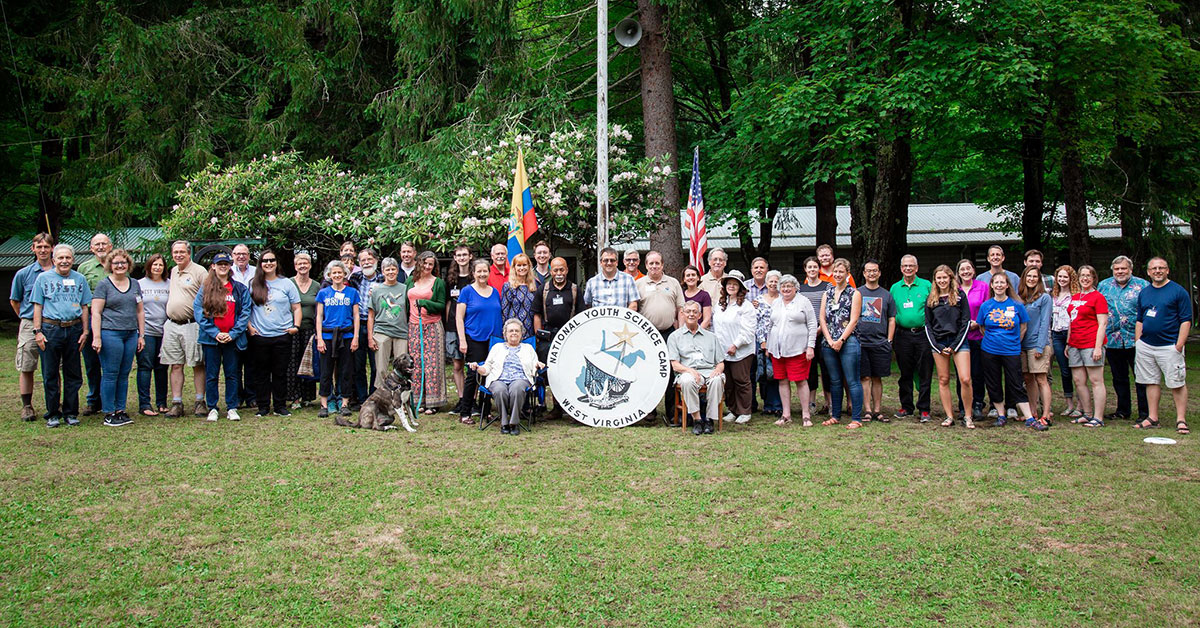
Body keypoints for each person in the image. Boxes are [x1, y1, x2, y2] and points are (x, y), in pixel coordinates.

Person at [31, 244, 92, 428]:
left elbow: (84, 306)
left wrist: (85, 331)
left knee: (73, 374)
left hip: (73, 329)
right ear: (54, 259)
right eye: (61, 258)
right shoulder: (43, 278)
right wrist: (38, 332)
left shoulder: (80, 279)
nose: (64, 261)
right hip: (51, 330)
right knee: (50, 373)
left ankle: (71, 412)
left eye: (68, 258)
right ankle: (52, 413)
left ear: (73, 260)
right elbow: (38, 306)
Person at [976, 272, 1044, 430]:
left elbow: (1023, 327)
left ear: (1007, 285)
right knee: (993, 383)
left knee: (1015, 382)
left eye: (1002, 282)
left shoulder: (1017, 305)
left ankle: (1029, 418)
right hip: (989, 350)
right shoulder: (986, 306)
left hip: (1011, 350)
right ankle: (1001, 415)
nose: (999, 285)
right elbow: (982, 327)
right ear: (992, 286)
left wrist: (1013, 341)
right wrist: (994, 340)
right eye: (996, 283)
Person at [1134, 257, 1190, 435]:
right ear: (1149, 272)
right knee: (1150, 382)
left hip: (1170, 346)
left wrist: (1179, 345)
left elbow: (1186, 320)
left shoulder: (1178, 292)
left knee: (1176, 382)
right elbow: (1140, 319)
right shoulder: (1145, 292)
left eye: (1161, 268)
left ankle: (1181, 419)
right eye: (1154, 268)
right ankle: (1152, 417)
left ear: (1167, 270)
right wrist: (1138, 342)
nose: (1157, 271)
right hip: (1147, 346)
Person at [194, 252, 251, 422]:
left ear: (230, 266)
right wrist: (215, 333)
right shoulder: (205, 288)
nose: (223, 266)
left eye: (226, 263)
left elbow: (245, 312)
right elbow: (198, 311)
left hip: (232, 339)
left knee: (232, 374)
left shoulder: (239, 289)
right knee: (212, 374)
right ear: (213, 266)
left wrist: (233, 334)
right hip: (211, 339)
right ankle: (213, 407)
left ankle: (232, 407)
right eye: (219, 264)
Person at [91, 249, 144, 427]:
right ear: (109, 266)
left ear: (128, 265)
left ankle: (120, 410)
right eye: (116, 263)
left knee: (124, 373)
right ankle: (109, 411)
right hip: (110, 333)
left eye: (123, 263)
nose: (120, 266)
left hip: (130, 333)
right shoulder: (103, 285)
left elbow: (140, 310)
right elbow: (96, 312)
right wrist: (97, 337)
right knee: (111, 373)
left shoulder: (135, 284)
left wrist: (141, 335)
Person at [247, 249, 301, 418]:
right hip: (260, 336)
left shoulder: (287, 284)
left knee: (280, 373)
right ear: (260, 264)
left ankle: (280, 406)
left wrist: (296, 326)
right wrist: (249, 327)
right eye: (265, 261)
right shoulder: (253, 283)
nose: (268, 263)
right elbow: (245, 309)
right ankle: (263, 406)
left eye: (271, 260)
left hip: (282, 335)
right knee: (261, 373)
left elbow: (297, 307)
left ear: (277, 263)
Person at [1098, 255, 1149, 423]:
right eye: (1117, 269)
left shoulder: (1142, 285)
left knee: (1141, 377)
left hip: (1136, 339)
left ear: (1130, 269)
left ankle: (1145, 413)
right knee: (1119, 378)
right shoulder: (1104, 286)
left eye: (1123, 268)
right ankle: (1123, 410)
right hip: (1112, 339)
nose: (1120, 272)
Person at [9, 232, 55, 422]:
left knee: (55, 366)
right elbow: (15, 300)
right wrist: (27, 319)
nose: (43, 250)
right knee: (27, 365)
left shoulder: (60, 270)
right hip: (29, 324)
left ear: (52, 248)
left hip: (53, 323)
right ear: (33, 249)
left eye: (46, 246)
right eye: (39, 246)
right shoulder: (24, 274)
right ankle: (27, 406)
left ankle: (55, 403)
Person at [636, 251, 685, 422]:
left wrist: (681, 332)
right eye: (651, 263)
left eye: (657, 263)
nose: (654, 266)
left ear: (662, 265)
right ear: (646, 265)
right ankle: (649, 410)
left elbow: (681, 309)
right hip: (647, 335)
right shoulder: (639, 284)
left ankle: (672, 411)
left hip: (669, 333)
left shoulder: (672, 283)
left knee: (670, 372)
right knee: (649, 372)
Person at [162, 241, 208, 418]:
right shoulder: (173, 271)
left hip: (192, 324)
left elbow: (208, 296)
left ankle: (199, 401)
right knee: (175, 365)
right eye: (175, 252)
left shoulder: (199, 271)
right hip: (172, 325)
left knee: (197, 363)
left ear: (189, 253)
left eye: (182, 252)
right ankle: (176, 402)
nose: (178, 255)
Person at [924, 265, 973, 428]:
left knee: (965, 379)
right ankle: (949, 416)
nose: (942, 281)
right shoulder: (931, 299)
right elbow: (928, 325)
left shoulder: (960, 296)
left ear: (951, 278)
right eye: (939, 278)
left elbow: (966, 322)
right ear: (935, 280)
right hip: (939, 343)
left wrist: (954, 345)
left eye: (945, 277)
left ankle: (967, 415)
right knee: (943, 379)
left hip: (958, 342)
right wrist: (937, 346)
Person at [473, 318, 542, 435]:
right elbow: (487, 367)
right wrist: (478, 368)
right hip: (498, 379)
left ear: (521, 334)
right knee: (499, 390)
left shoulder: (528, 348)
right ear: (505, 333)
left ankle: (514, 423)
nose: (514, 333)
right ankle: (504, 423)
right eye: (511, 331)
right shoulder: (497, 348)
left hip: (521, 378)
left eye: (517, 331)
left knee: (517, 389)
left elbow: (535, 366)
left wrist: (538, 365)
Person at [766, 274, 817, 427]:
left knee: (801, 381)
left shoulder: (803, 302)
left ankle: (806, 414)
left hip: (798, 349)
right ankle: (786, 414)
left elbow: (812, 325)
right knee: (782, 381)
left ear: (795, 287)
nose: (786, 289)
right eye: (783, 286)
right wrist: (769, 346)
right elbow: (770, 325)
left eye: (789, 286)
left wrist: (810, 346)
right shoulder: (776, 303)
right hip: (777, 350)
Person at [819, 258, 864, 429]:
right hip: (829, 342)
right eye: (835, 272)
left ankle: (856, 418)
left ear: (847, 274)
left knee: (852, 380)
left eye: (841, 272)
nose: (838, 275)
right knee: (835, 380)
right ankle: (835, 415)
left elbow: (854, 320)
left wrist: (841, 340)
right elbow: (822, 318)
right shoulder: (827, 293)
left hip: (848, 341)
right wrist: (830, 340)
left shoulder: (854, 293)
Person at [668, 301, 725, 435]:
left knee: (717, 379)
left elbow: (721, 362)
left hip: (709, 371)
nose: (691, 314)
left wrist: (718, 370)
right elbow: (675, 364)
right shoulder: (675, 337)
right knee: (687, 380)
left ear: (700, 315)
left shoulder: (711, 337)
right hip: (687, 371)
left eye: (694, 312)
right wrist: (690, 371)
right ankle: (697, 420)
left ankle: (710, 420)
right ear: (682, 314)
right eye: (688, 312)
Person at [457, 258, 503, 424]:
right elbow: (459, 318)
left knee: (490, 375)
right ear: (473, 273)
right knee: (473, 375)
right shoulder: (467, 292)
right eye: (479, 271)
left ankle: (485, 410)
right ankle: (465, 412)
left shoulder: (495, 292)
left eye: (485, 271)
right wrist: (462, 340)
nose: (482, 274)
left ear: (488, 273)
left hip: (494, 341)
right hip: (474, 338)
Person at [533, 257, 580, 419]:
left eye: (562, 270)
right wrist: (539, 335)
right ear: (551, 271)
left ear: (566, 270)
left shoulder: (574, 289)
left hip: (570, 336)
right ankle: (556, 407)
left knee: (571, 371)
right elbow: (537, 314)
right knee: (552, 373)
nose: (559, 273)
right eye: (555, 270)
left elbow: (581, 316)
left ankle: (572, 406)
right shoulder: (544, 289)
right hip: (549, 337)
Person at [889, 254, 933, 422]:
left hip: (922, 334)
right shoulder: (895, 288)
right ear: (901, 268)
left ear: (917, 268)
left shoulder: (926, 285)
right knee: (905, 373)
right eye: (905, 266)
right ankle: (906, 406)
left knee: (925, 372)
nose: (908, 268)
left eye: (911, 266)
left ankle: (924, 409)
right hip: (903, 335)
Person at [315, 260, 360, 418]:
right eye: (334, 273)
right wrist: (319, 338)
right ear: (329, 275)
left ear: (345, 274)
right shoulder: (323, 293)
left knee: (346, 370)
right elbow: (319, 316)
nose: (337, 275)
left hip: (346, 336)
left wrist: (355, 337)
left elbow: (356, 315)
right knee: (326, 371)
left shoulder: (352, 293)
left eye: (340, 272)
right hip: (327, 336)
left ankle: (345, 403)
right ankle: (324, 404)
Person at [1066, 265, 1109, 427]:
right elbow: (1072, 321)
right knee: (1078, 380)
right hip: (1075, 343)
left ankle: (1098, 417)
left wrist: (1098, 347)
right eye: (1082, 275)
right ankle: (1087, 413)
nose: (1085, 278)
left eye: (1088, 276)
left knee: (1096, 380)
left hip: (1091, 343)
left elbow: (1103, 323)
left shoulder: (1098, 297)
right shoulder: (1075, 297)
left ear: (1093, 278)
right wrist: (1068, 342)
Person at [406, 251, 448, 413]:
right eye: (425, 263)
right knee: (416, 364)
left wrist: (425, 303)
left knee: (432, 364)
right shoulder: (411, 281)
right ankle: (418, 400)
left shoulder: (438, 283)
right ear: (419, 263)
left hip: (432, 325)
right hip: (414, 326)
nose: (427, 266)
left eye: (431, 264)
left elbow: (441, 305)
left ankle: (434, 401)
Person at [713, 271, 756, 424]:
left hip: (741, 351)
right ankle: (733, 410)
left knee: (741, 380)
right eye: (729, 284)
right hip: (722, 350)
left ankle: (745, 411)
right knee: (728, 382)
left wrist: (735, 344)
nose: (731, 286)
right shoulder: (720, 305)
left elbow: (748, 330)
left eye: (735, 284)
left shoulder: (746, 306)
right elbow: (716, 327)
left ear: (740, 287)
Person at [76, 232, 111, 416]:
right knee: (91, 362)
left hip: (112, 319)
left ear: (110, 246)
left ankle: (107, 400)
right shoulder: (84, 268)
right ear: (91, 248)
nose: (100, 247)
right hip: (90, 317)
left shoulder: (117, 265)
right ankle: (92, 399)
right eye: (96, 244)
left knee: (110, 362)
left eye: (104, 244)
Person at [857, 260, 896, 423]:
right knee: (864, 377)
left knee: (877, 378)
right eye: (868, 271)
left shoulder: (886, 295)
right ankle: (867, 410)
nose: (871, 273)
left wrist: (889, 340)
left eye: (875, 271)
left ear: (879, 273)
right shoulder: (857, 293)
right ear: (864, 274)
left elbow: (892, 319)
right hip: (861, 342)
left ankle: (878, 410)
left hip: (880, 343)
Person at [349, 248, 384, 406]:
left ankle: (373, 396)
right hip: (357, 324)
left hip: (377, 325)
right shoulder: (355, 278)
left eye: (369, 259)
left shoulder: (383, 278)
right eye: (363, 260)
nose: (366, 262)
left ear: (376, 260)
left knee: (376, 364)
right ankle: (362, 398)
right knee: (358, 364)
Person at [136, 253, 170, 416]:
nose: (157, 267)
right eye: (154, 264)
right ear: (149, 266)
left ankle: (162, 402)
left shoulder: (169, 284)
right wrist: (140, 334)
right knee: (145, 366)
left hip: (165, 331)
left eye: (160, 265)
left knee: (162, 367)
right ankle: (145, 404)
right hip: (146, 331)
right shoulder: (139, 284)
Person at [1019, 265, 1053, 423]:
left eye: (1034, 276)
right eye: (1028, 276)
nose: (1031, 279)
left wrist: (1040, 346)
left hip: (1037, 344)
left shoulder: (1044, 298)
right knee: (1028, 379)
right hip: (1022, 345)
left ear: (1039, 279)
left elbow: (1045, 322)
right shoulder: (1020, 298)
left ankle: (1046, 413)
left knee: (1041, 379)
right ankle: (1032, 411)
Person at [956, 259, 990, 418]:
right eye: (962, 269)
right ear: (958, 273)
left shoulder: (982, 287)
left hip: (978, 336)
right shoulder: (954, 289)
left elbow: (989, 307)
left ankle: (977, 404)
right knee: (961, 374)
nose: (965, 271)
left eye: (968, 268)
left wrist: (979, 322)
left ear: (974, 271)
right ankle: (963, 405)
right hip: (960, 337)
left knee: (977, 372)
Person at [797, 257, 831, 414]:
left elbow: (831, 311)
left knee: (827, 369)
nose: (812, 269)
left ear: (819, 269)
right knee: (809, 370)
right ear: (805, 269)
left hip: (824, 334)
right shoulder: (800, 289)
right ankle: (811, 402)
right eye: (809, 267)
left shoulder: (827, 286)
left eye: (815, 267)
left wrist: (819, 329)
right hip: (805, 336)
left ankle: (829, 402)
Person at [368, 258, 409, 389]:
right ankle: (381, 395)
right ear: (383, 272)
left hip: (401, 332)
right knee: (381, 369)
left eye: (393, 269)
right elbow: (371, 315)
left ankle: (401, 395)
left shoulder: (405, 289)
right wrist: (370, 337)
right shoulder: (376, 290)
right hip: (381, 332)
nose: (391, 272)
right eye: (388, 269)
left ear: (397, 271)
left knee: (402, 368)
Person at [287, 253, 320, 409]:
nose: (302, 266)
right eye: (299, 263)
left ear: (310, 265)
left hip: (310, 329)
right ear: (295, 266)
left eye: (306, 263)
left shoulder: (316, 286)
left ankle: (308, 396)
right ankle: (294, 397)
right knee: (292, 362)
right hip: (292, 328)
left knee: (308, 363)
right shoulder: (288, 283)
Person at [444, 245, 474, 414]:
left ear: (470, 256)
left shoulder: (474, 277)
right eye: (459, 255)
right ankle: (462, 399)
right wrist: (449, 323)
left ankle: (472, 400)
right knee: (457, 365)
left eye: (465, 254)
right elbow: (449, 303)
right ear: (455, 258)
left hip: (471, 326)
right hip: (453, 327)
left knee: (472, 366)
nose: (462, 257)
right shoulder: (451, 279)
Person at [1050, 265, 1082, 418]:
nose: (1062, 280)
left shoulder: (1076, 295)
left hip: (1072, 335)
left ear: (1071, 279)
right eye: (1060, 277)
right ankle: (1069, 404)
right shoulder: (1053, 295)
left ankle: (1080, 404)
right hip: (1056, 334)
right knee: (1064, 371)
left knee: (1076, 371)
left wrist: (1070, 341)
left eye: (1065, 277)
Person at [230, 243, 257, 409]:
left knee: (252, 363)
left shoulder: (256, 272)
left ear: (249, 255)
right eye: (237, 254)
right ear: (232, 255)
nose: (241, 256)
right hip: (233, 325)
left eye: (244, 254)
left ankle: (252, 396)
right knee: (235, 364)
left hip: (254, 323)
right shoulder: (227, 271)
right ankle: (237, 396)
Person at [754, 269, 784, 416]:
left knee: (777, 374)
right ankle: (767, 405)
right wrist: (763, 342)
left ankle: (778, 405)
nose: (773, 284)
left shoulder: (783, 300)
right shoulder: (759, 300)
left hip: (780, 343)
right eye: (771, 281)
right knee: (765, 375)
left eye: (776, 281)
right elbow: (757, 323)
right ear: (766, 283)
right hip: (763, 343)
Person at [501, 253, 537, 339]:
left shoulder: (533, 286)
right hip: (514, 333)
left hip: (530, 332)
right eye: (519, 265)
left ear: (528, 266)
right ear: (514, 268)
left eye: (524, 265)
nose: (522, 268)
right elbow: (504, 312)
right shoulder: (508, 286)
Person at [681, 265, 712, 329]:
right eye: (688, 275)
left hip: (700, 332)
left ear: (698, 277)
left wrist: (697, 332)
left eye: (693, 275)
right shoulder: (680, 295)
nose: (691, 277)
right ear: (684, 279)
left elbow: (707, 319)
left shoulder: (705, 295)